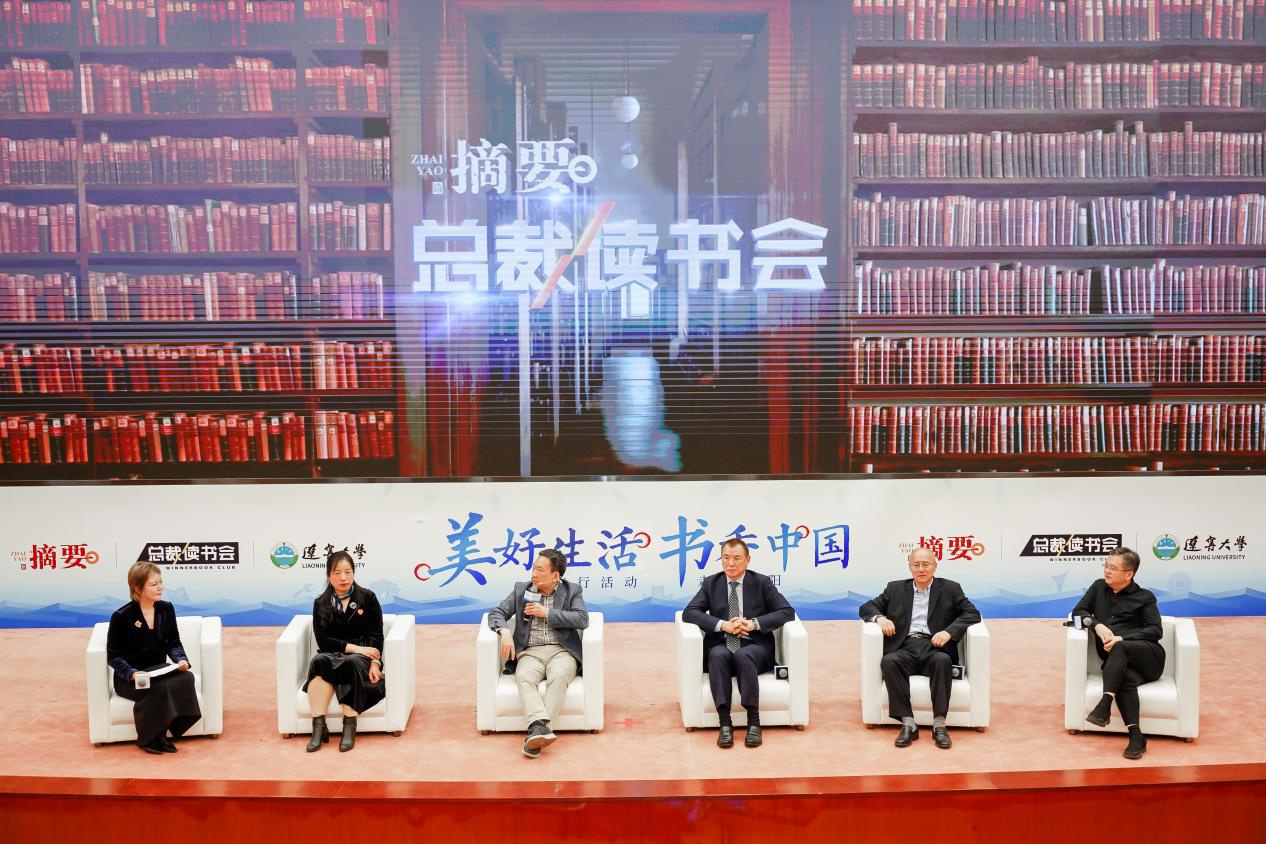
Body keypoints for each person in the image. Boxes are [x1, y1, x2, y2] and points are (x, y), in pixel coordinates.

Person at [859, 546, 981, 749]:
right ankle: (908, 724)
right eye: (916, 565)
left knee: (943, 661)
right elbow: (866, 607)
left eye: (926, 564)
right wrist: (880, 618)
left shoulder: (950, 588)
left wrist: (948, 632)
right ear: (909, 566)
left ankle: (939, 725)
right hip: (905, 645)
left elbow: (972, 614)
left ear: (935, 566)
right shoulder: (895, 588)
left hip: (935, 646)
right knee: (889, 662)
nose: (921, 569)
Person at [682, 538, 795, 749]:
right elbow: (689, 613)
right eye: (726, 558)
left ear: (747, 560)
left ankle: (754, 722)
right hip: (723, 643)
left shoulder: (761, 582)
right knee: (717, 655)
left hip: (754, 646)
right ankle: (725, 723)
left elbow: (787, 612)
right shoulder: (711, 583)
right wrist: (722, 625)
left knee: (744, 655)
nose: (731, 563)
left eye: (736, 558)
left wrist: (753, 624)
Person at [488, 548, 589, 758]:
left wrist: (548, 613)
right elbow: (497, 612)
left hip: (561, 651)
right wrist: (504, 631)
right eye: (533, 568)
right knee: (524, 677)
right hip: (530, 652)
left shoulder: (572, 590)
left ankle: (536, 731)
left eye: (540, 570)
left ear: (555, 575)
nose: (534, 574)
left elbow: (582, 619)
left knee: (559, 676)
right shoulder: (521, 589)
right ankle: (540, 731)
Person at [1070, 546, 1164, 760]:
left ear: (1129, 574)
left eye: (1113, 568)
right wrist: (1097, 625)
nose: (1107, 571)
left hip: (1148, 658)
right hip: (1118, 662)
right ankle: (1136, 737)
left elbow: (1155, 631)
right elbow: (1078, 612)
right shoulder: (1098, 587)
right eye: (1106, 565)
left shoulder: (1144, 597)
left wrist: (1122, 638)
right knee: (1124, 679)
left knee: (1120, 647)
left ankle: (1104, 703)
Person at [105, 562, 202, 754]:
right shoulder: (122, 616)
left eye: (161, 582)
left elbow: (173, 642)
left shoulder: (166, 609)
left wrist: (180, 660)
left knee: (186, 677)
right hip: (131, 678)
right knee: (158, 688)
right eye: (153, 584)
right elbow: (113, 655)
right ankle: (151, 738)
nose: (160, 588)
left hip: (159, 670)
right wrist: (131, 673)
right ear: (137, 588)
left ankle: (161, 735)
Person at [303, 550, 385, 752]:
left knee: (351, 662)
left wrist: (375, 663)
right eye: (337, 573)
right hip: (334, 653)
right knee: (318, 662)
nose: (343, 578)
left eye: (348, 572)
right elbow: (323, 640)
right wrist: (356, 648)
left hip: (362, 656)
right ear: (328, 576)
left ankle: (349, 725)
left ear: (354, 573)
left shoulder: (368, 597)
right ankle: (318, 727)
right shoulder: (321, 603)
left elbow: (376, 635)